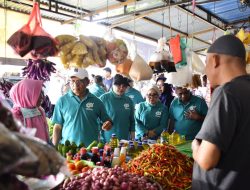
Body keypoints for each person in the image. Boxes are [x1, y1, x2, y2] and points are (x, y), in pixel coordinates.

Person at [191, 35, 250, 189]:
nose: (205, 70)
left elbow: (206, 160)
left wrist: (195, 148)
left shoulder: (226, 92)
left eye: (206, 63)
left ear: (215, 60)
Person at [52, 68, 112, 147]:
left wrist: (108, 124)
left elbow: (107, 121)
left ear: (87, 82)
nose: (75, 85)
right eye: (72, 81)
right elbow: (58, 126)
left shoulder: (97, 102)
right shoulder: (62, 101)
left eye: (79, 81)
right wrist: (54, 148)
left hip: (90, 149)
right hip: (68, 149)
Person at [100, 74, 135, 142]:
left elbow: (132, 121)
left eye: (124, 86)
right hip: (108, 139)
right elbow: (97, 120)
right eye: (118, 85)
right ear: (113, 85)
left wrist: (133, 138)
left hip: (125, 139)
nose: (121, 88)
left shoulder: (129, 100)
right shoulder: (104, 98)